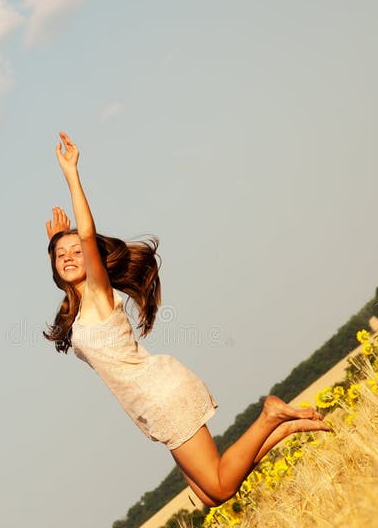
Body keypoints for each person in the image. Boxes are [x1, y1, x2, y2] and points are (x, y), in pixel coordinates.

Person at [44, 132, 330, 507]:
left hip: (162, 394)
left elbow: (86, 232)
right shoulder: (79, 312)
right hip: (150, 405)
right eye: (59, 255)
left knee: (222, 486)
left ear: (93, 258)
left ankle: (270, 416)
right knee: (209, 495)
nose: (67, 255)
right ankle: (287, 426)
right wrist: (55, 241)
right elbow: (69, 247)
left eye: (76, 252)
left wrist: (71, 175)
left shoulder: (99, 292)